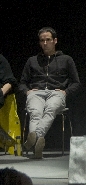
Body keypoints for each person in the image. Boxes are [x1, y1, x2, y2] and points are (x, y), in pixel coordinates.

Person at [19, 27, 80, 159]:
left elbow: (76, 82)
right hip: (36, 93)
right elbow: (22, 83)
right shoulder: (32, 60)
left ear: (55, 41)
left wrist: (66, 92)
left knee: (50, 109)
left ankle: (34, 138)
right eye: (42, 40)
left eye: (48, 40)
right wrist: (27, 92)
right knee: (35, 113)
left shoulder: (66, 59)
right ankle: (37, 147)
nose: (45, 43)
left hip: (56, 93)